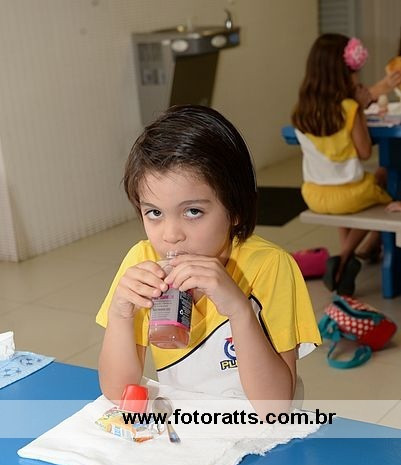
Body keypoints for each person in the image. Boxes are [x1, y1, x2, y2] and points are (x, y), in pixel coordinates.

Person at [96, 105, 321, 418]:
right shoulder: (142, 261)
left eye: (193, 212)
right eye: (154, 213)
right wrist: (120, 313)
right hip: (192, 423)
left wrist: (239, 310)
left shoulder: (270, 267)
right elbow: (118, 391)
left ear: (235, 209)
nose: (171, 236)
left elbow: (275, 406)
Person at [292, 34, 394, 296]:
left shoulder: (301, 110)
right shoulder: (349, 108)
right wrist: (359, 109)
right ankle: (345, 256)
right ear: (343, 73)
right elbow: (364, 151)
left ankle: (358, 253)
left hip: (314, 194)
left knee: (346, 191)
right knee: (385, 177)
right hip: (350, 197)